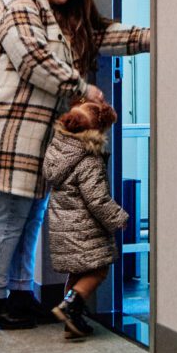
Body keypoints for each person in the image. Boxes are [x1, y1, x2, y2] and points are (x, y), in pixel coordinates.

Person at [0, 0, 151, 331]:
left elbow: (108, 35)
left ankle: (18, 294)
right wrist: (83, 89)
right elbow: (33, 60)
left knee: (31, 215)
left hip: (35, 135)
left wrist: (156, 36)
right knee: (11, 214)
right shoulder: (18, 1)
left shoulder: (60, 19)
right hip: (7, 128)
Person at [40, 98, 131, 340]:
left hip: (64, 225)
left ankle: (72, 323)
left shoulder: (57, 152)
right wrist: (118, 218)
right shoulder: (89, 160)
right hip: (85, 228)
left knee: (77, 272)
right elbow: (97, 199)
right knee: (99, 269)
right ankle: (70, 307)